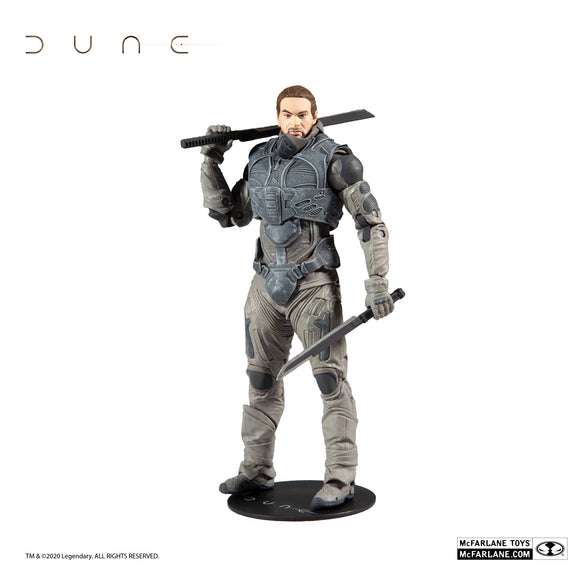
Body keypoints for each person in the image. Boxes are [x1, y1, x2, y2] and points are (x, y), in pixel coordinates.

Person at [199, 85, 393, 509]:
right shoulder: (260, 158)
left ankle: (340, 477)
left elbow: (370, 222)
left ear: (315, 115)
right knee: (260, 379)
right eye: (287, 114)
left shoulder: (337, 161)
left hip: (314, 286)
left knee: (329, 379)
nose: (295, 121)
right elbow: (229, 214)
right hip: (265, 286)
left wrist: (377, 282)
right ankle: (256, 470)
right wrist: (212, 161)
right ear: (278, 116)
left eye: (302, 114)